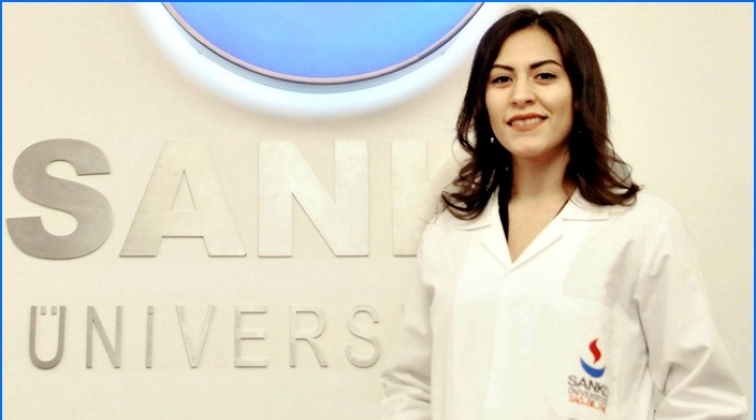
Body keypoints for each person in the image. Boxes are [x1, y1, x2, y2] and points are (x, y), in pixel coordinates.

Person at [379, 7, 747, 420]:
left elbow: (705, 398)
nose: (521, 95)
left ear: (579, 92)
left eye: (544, 75)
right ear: (482, 102)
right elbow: (411, 387)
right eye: (501, 79)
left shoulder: (641, 228)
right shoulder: (447, 235)